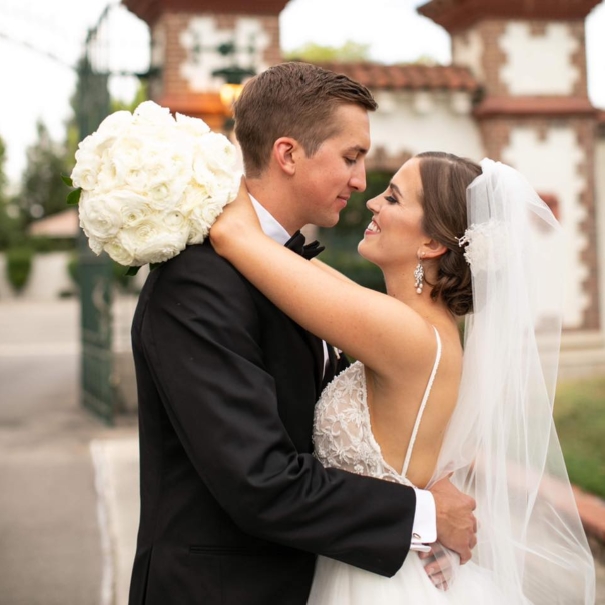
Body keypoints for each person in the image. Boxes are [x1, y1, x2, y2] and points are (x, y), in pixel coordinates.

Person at [128, 62, 477, 605]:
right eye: (351, 158)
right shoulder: (202, 281)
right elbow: (259, 481)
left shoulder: (279, 269)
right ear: (288, 154)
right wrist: (424, 512)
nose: (363, 185)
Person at [210, 151, 596, 603]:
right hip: (376, 559)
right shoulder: (416, 326)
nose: (372, 202)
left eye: (392, 198)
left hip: (376, 582)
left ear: (432, 244)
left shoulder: (407, 336)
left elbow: (238, 239)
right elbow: (286, 258)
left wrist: (205, 172)